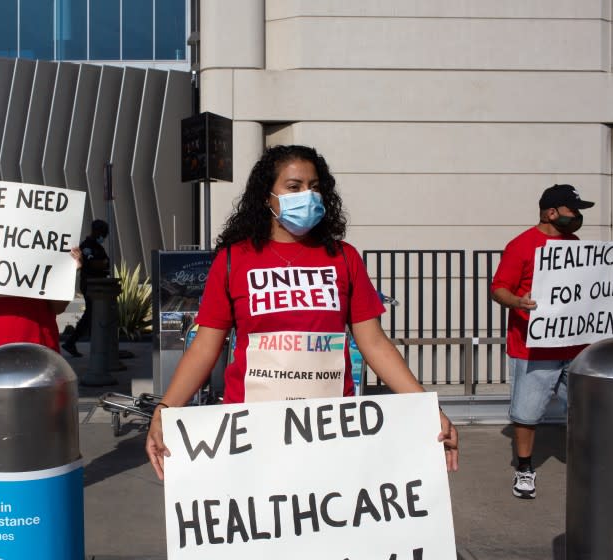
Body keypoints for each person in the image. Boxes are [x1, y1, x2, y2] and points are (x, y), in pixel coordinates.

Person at [145, 144, 459, 480]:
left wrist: (429, 410)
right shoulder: (235, 259)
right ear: (267, 196)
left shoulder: (344, 258)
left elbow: (374, 343)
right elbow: (206, 346)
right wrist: (166, 409)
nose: (306, 195)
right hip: (252, 431)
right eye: (293, 187)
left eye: (314, 187)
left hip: (331, 430)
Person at [490, 183, 598, 500]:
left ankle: (589, 464)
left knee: (583, 410)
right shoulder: (521, 246)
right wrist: (518, 302)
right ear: (551, 213)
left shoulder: (574, 244)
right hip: (533, 348)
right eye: (572, 210)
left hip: (574, 347)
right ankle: (524, 469)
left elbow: (589, 289)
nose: (577, 217)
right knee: (527, 413)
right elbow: (499, 289)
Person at [61, 219, 110, 357]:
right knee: (90, 314)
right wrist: (101, 263)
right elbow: (93, 263)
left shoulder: (98, 247)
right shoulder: (87, 246)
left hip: (98, 283)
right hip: (90, 284)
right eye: (103, 234)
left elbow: (107, 263)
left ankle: (73, 342)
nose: (103, 237)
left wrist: (102, 263)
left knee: (92, 315)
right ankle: (72, 342)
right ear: (96, 231)